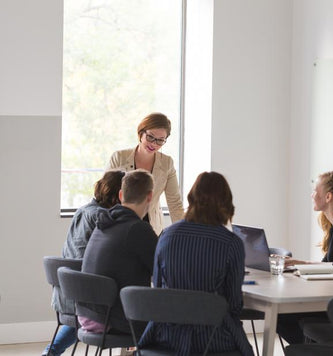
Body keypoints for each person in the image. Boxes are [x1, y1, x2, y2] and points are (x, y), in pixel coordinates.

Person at [139, 172, 254, 356]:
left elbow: (158, 290)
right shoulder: (231, 243)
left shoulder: (167, 235)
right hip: (213, 337)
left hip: (168, 335)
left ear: (191, 198)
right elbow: (233, 304)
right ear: (226, 202)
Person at [42, 170, 124, 356]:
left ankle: (50, 352)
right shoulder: (103, 217)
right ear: (119, 195)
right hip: (85, 297)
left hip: (65, 294)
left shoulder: (83, 211)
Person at [277, 170, 333, 344]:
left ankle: (314, 350)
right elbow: (329, 265)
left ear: (329, 196)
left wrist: (303, 264)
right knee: (282, 314)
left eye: (315, 190)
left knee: (282, 315)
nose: (312, 195)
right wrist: (298, 265)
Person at [79, 169, 158, 334]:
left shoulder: (103, 223)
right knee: (174, 318)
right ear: (149, 196)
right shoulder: (138, 229)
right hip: (113, 319)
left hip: (88, 314)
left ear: (121, 195)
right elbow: (163, 272)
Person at [106, 112, 184, 235]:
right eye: (150, 137)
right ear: (141, 133)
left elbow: (174, 204)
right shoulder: (119, 158)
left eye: (160, 140)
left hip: (152, 228)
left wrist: (183, 235)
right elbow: (106, 195)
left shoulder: (167, 163)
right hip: (121, 225)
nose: (154, 144)